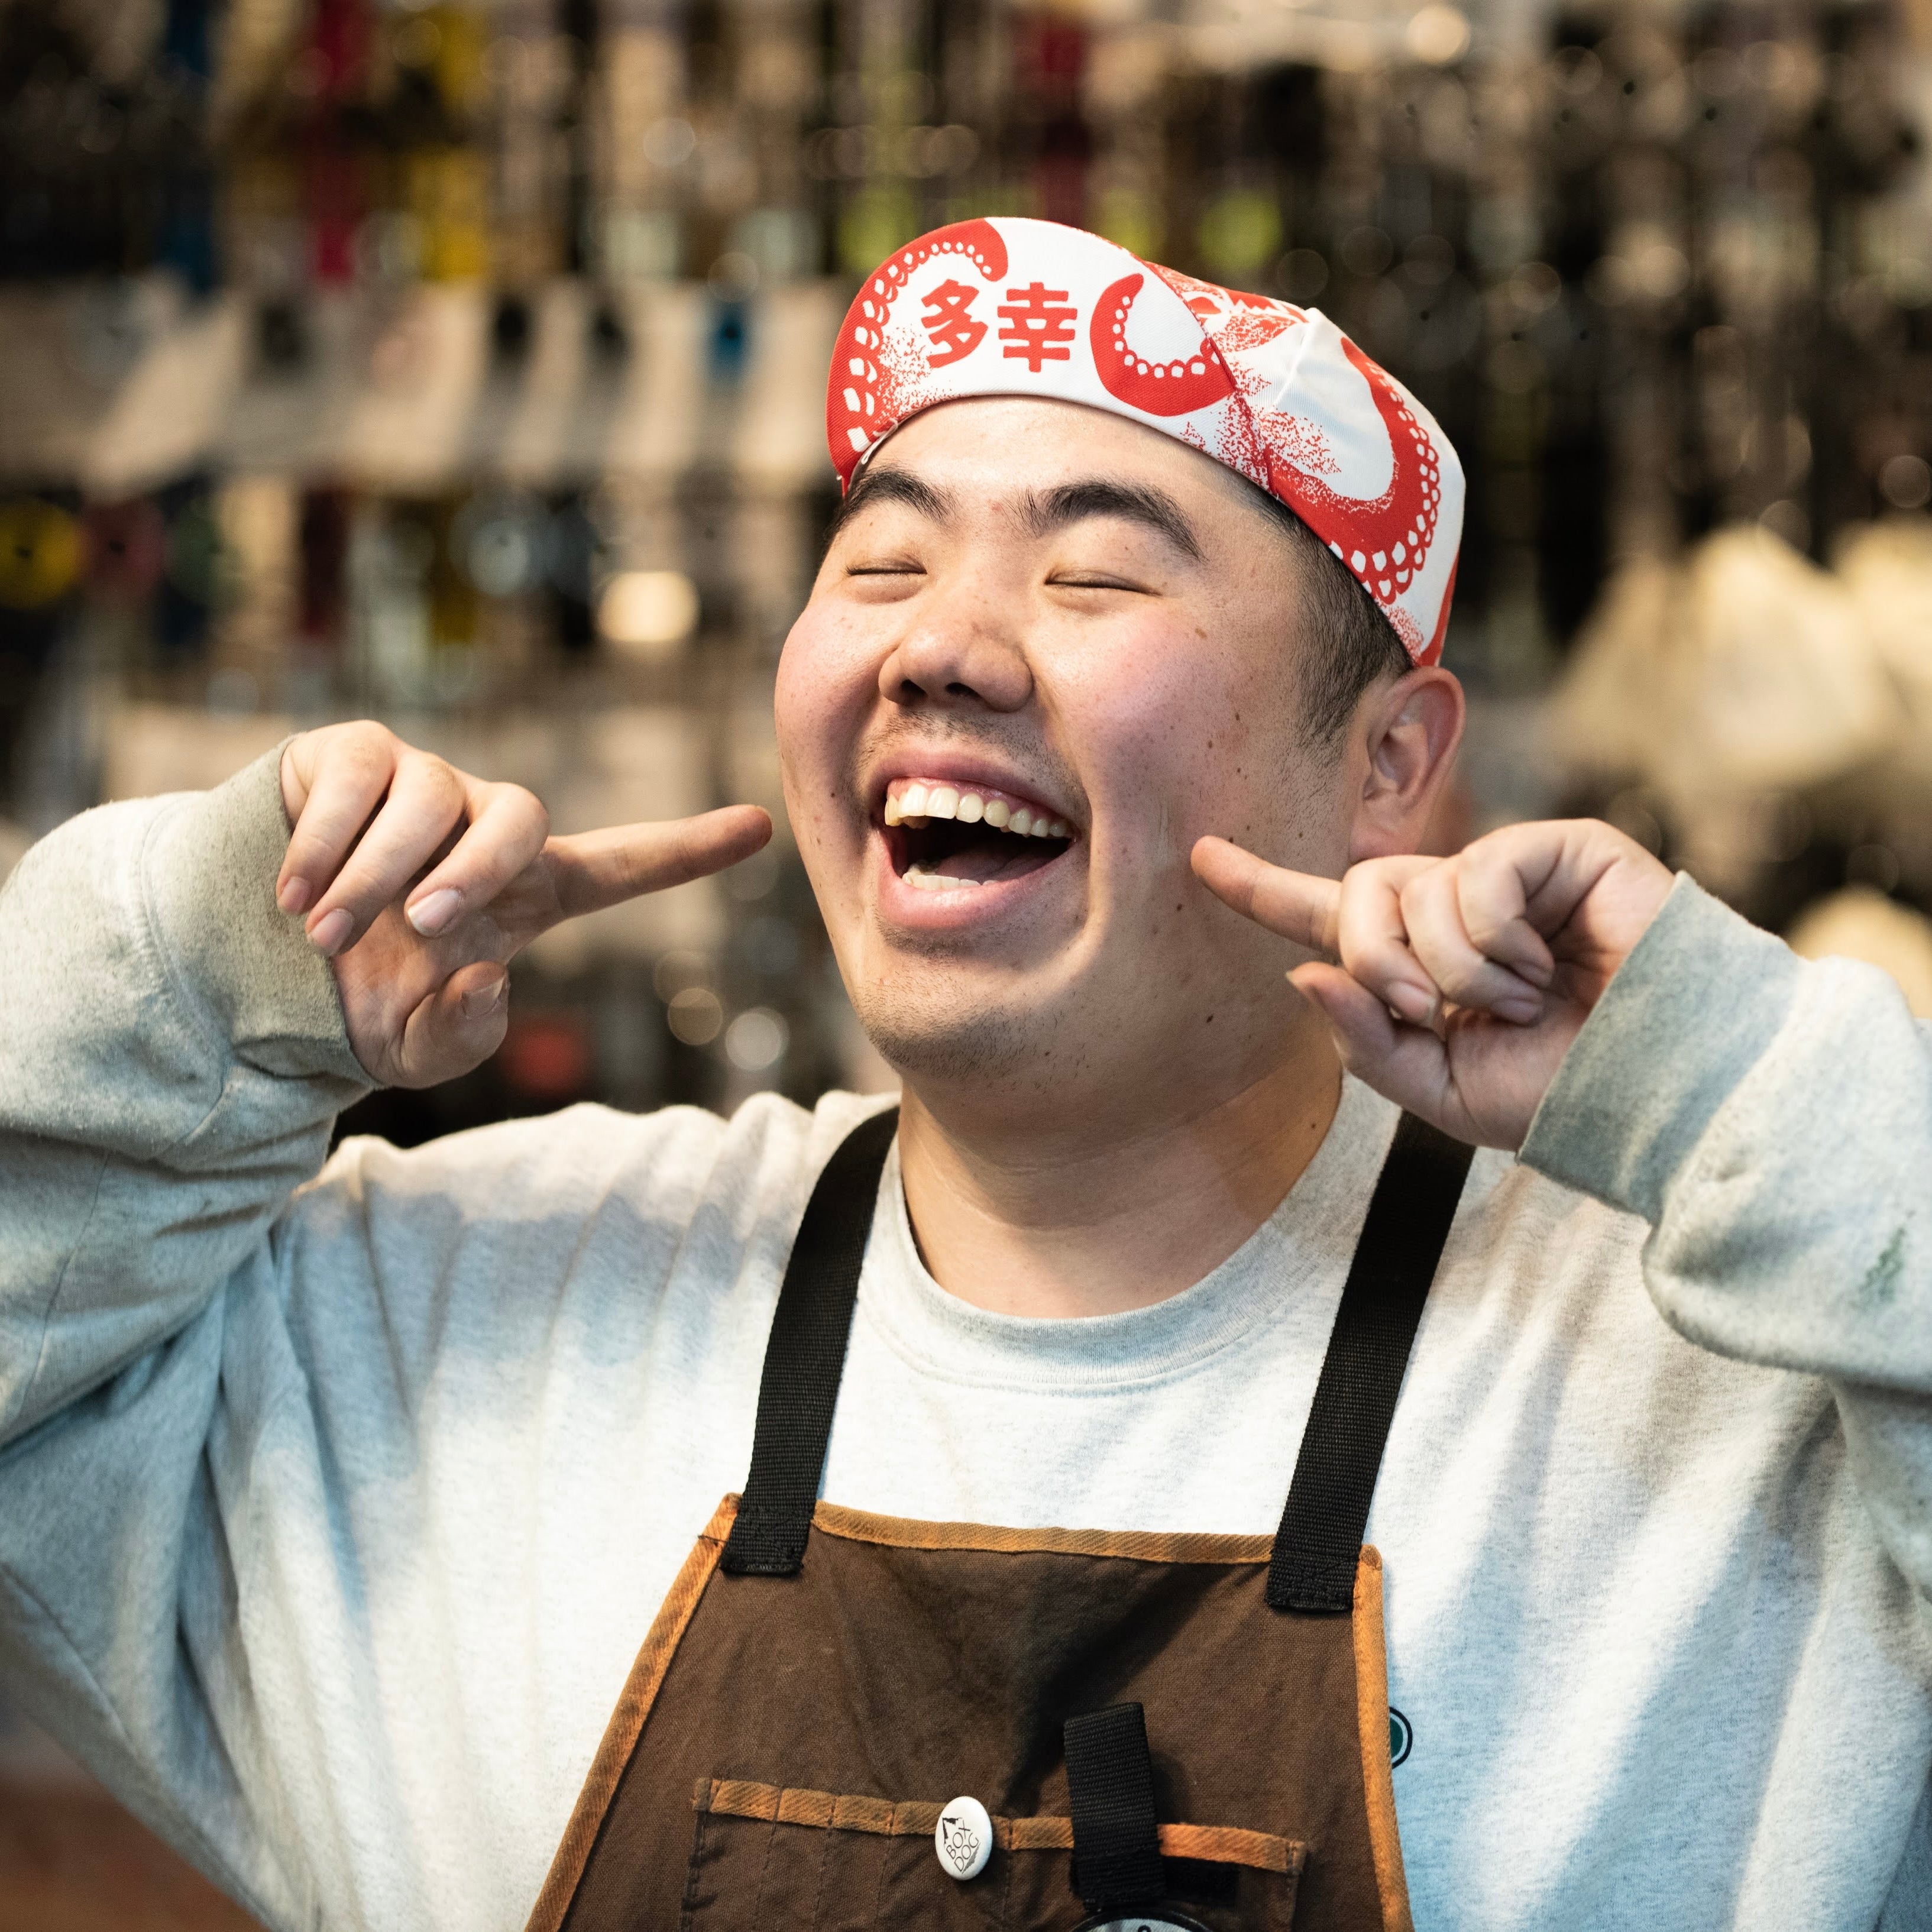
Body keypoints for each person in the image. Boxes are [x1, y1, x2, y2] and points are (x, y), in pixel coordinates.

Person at [1, 216, 1927, 1932]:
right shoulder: (454, 1330)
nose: (940, 645)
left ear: (1388, 768)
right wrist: (202, 959)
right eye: (879, 560)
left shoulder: (1733, 1423)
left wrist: (1724, 1083)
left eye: (1092, 578)